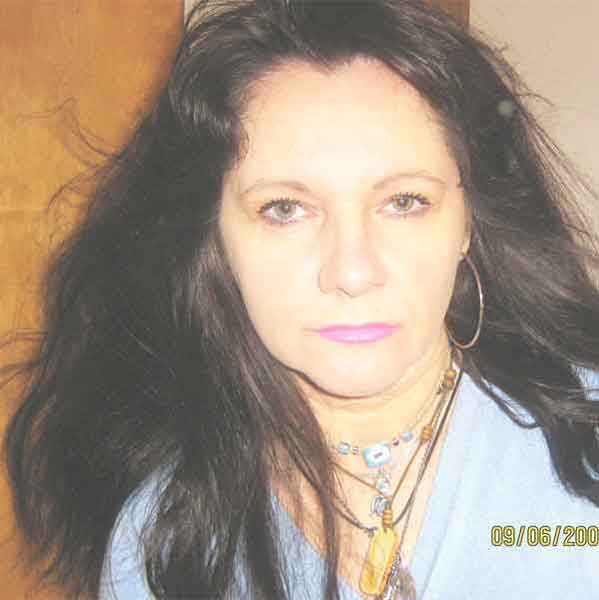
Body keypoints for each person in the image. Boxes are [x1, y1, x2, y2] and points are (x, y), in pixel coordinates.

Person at [3, 0, 599, 598]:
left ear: (467, 222)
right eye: (285, 209)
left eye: (404, 202)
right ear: (214, 239)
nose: (352, 271)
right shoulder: (163, 542)